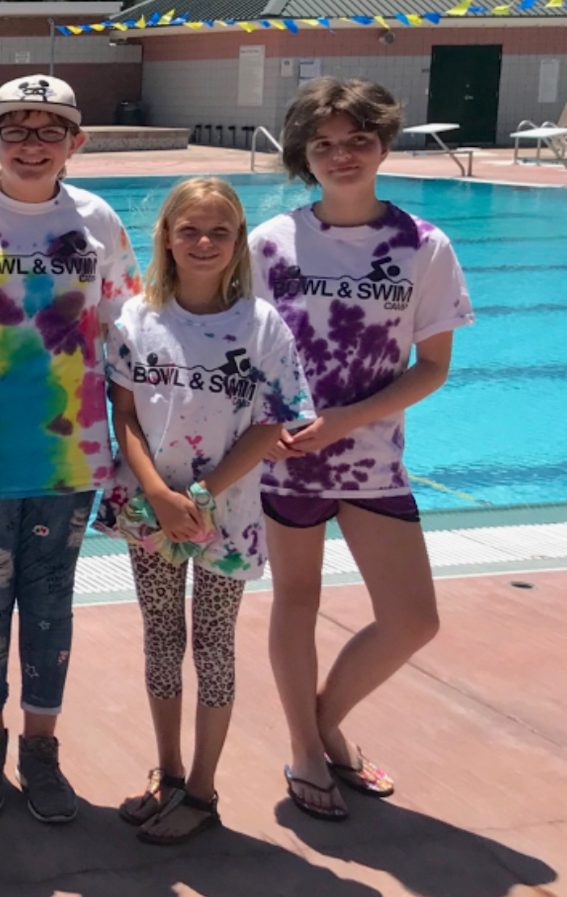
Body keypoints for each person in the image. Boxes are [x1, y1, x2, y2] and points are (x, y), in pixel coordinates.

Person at [254, 78, 473, 821]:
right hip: (287, 458)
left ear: (383, 144)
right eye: (323, 144)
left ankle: (321, 721)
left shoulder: (423, 246)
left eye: (357, 141)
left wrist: (346, 421)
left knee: (414, 619)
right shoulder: (272, 244)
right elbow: (242, 350)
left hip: (371, 458)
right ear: (302, 155)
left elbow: (435, 366)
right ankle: (309, 749)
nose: (341, 155)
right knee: (297, 601)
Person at [0, 74, 141, 825]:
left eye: (48, 129)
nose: (31, 143)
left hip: (70, 452)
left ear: (75, 143)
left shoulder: (97, 220)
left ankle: (40, 748)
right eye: (14, 129)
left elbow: (124, 333)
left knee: (51, 600)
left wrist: (132, 447)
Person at [97, 178, 310, 844]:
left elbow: (273, 423)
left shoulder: (261, 324)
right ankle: (168, 773)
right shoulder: (136, 318)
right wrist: (160, 496)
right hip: (150, 510)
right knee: (161, 638)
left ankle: (203, 791)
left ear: (238, 242)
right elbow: (123, 414)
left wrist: (202, 494)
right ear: (165, 236)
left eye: (220, 232)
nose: (204, 242)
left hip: (227, 513)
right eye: (189, 229)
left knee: (213, 646)